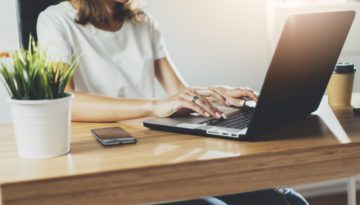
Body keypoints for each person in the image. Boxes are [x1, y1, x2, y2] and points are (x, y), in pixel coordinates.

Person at [36, 0, 309, 204]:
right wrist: (154, 106)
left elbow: (179, 93)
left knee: (290, 201)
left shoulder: (143, 21)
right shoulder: (55, 20)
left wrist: (217, 93)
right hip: (109, 166)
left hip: (155, 156)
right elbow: (65, 99)